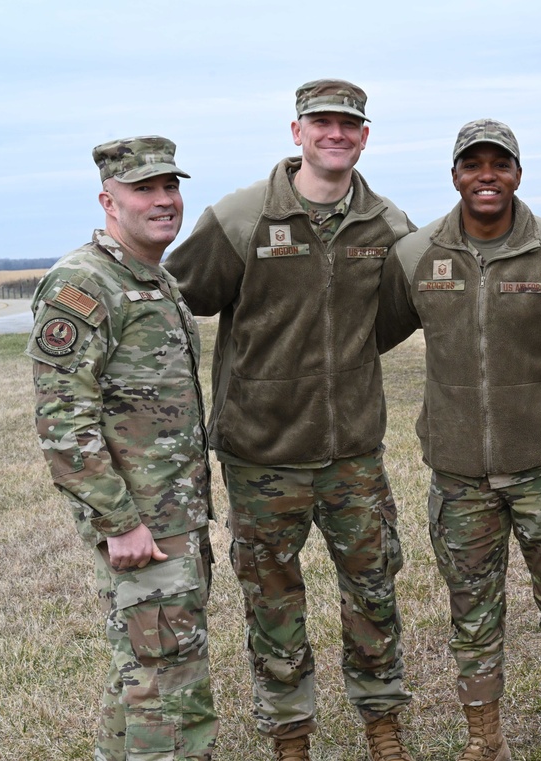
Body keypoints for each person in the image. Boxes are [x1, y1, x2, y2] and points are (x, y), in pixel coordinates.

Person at [164, 79, 416, 761]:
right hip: (261, 454)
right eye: (322, 123)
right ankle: (290, 735)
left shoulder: (388, 225)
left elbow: (394, 316)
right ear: (297, 130)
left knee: (373, 592)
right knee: (273, 603)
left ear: (365, 137)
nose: (336, 134)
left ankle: (382, 724)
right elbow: (175, 299)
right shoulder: (241, 217)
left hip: (352, 454)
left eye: (349, 125)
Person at [377, 118, 541, 761]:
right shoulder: (417, 255)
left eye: (499, 164)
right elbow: (380, 327)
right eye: (472, 164)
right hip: (459, 476)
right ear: (454, 174)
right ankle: (485, 741)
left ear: (518, 172)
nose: (487, 175)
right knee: (472, 611)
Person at [27, 136, 218, 760]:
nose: (164, 201)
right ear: (109, 200)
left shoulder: (152, 279)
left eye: (171, 187)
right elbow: (63, 421)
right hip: (143, 526)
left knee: (141, 675)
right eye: (145, 189)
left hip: (173, 518)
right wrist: (121, 522)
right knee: (170, 689)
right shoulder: (86, 283)